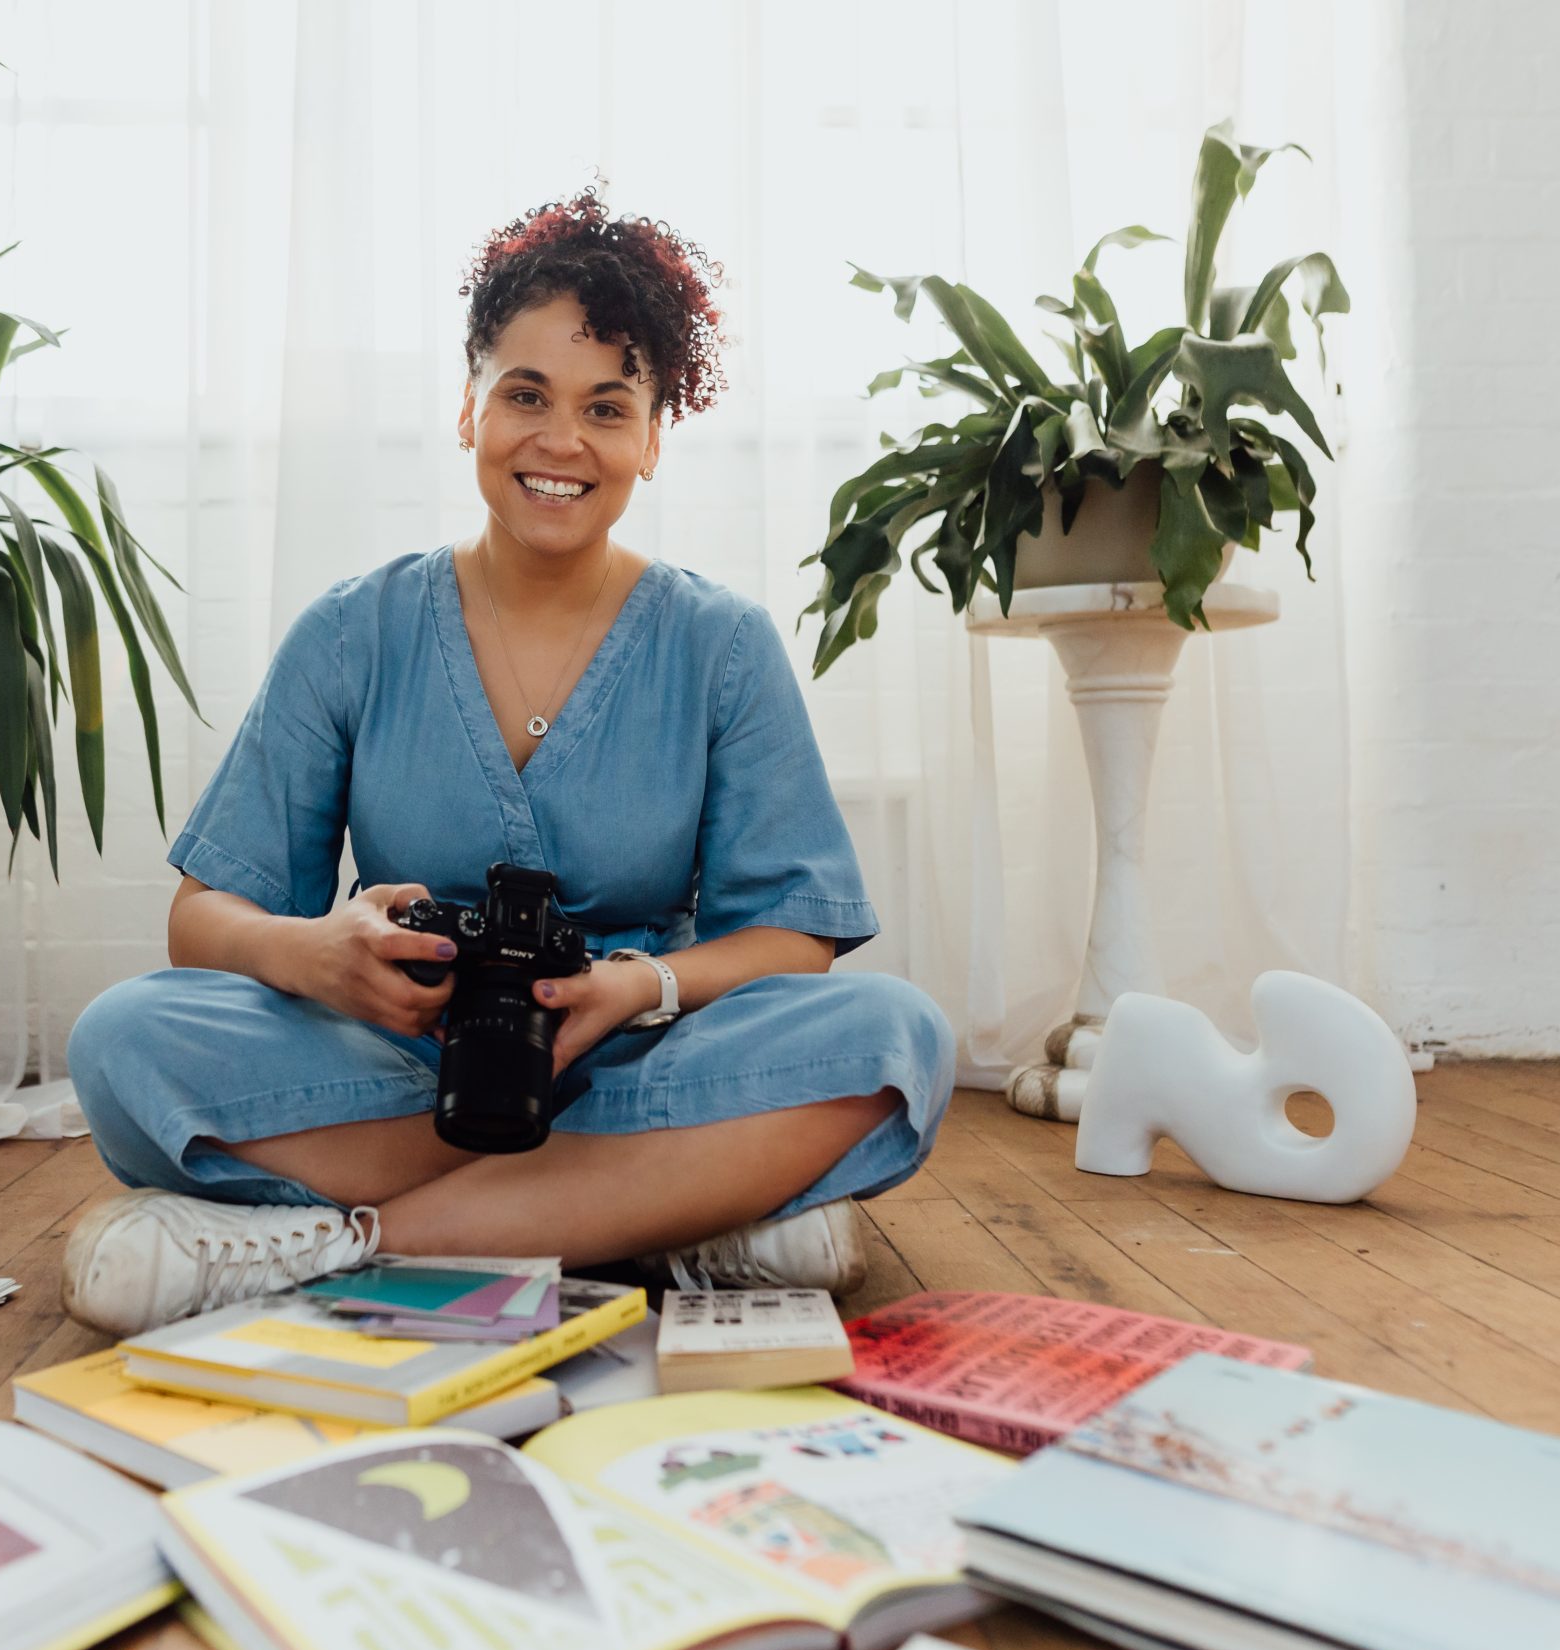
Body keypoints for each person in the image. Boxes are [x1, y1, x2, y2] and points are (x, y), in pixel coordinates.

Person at [61, 188, 956, 1336]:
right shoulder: (354, 630)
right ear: (469, 406)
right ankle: (679, 1211)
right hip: (406, 1071)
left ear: (652, 436)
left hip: (641, 1059)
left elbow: (795, 938)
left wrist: (644, 984)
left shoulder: (718, 644)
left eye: (608, 407)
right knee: (123, 1041)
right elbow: (205, 920)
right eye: (524, 394)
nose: (561, 442)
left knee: (894, 1038)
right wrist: (322, 954)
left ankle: (334, 1250)